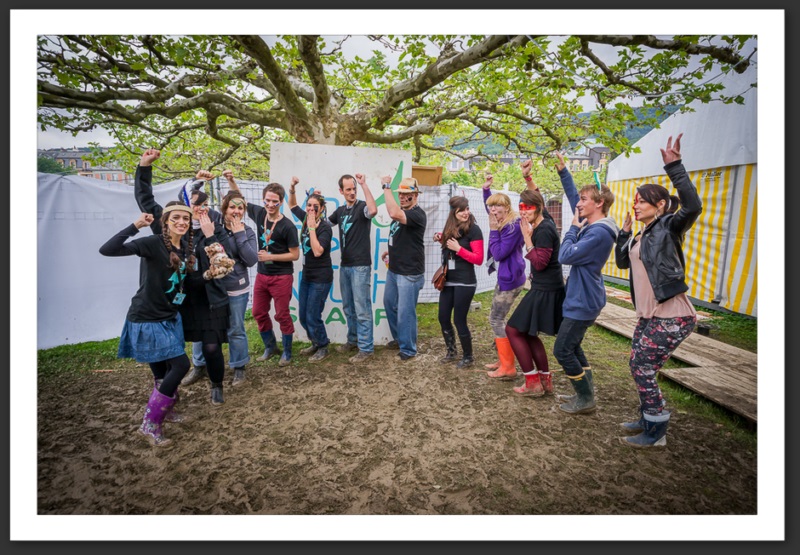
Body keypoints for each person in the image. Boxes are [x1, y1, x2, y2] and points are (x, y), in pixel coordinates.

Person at [614, 134, 701, 448]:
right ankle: (646, 417)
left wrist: (674, 167)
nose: (635, 204)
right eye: (635, 200)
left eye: (641, 200)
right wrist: (624, 234)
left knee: (643, 366)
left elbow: (693, 206)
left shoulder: (668, 227)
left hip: (672, 314)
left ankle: (656, 431)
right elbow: (623, 263)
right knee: (636, 363)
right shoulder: (642, 234)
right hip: (650, 315)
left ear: (660, 205)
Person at [135, 150, 233, 408]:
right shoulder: (173, 230)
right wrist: (144, 166)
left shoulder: (216, 229)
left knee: (212, 348)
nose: (199, 209)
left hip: (211, 300)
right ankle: (167, 390)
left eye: (204, 205)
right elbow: (146, 201)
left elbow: (225, 265)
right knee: (171, 352)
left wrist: (212, 237)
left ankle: (216, 385)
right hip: (180, 302)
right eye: (194, 205)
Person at [99, 204, 195, 446]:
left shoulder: (184, 248)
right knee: (181, 364)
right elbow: (107, 250)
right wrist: (135, 226)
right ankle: (150, 423)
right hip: (147, 317)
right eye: (176, 218)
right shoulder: (153, 243)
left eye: (186, 218)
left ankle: (167, 410)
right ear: (166, 221)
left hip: (170, 317)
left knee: (162, 372)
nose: (182, 222)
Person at [553, 151, 619, 415]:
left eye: (584, 200)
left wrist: (570, 230)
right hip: (582, 296)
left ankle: (586, 399)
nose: (578, 204)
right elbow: (574, 201)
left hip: (584, 300)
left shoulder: (599, 233)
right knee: (574, 346)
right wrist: (563, 172)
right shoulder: (594, 224)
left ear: (599, 203)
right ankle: (585, 394)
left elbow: (564, 255)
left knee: (562, 350)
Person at [184, 179, 258, 387]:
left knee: (235, 327)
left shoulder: (248, 231)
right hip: (210, 287)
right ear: (224, 209)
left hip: (236, 287)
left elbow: (251, 260)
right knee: (202, 327)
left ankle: (239, 367)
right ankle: (199, 365)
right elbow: (197, 205)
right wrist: (196, 186)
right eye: (232, 207)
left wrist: (239, 235)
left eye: (240, 208)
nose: (236, 211)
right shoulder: (213, 223)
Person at [225, 172, 300, 367]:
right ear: (263, 200)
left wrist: (271, 256)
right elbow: (239, 199)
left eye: (274, 201)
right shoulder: (259, 213)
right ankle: (270, 346)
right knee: (258, 312)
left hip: (281, 277)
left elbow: (295, 254)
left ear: (281, 202)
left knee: (282, 314)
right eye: (267, 200)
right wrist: (231, 180)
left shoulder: (288, 226)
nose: (270, 204)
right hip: (262, 275)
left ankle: (287, 352)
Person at [505, 185, 565, 397]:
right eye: (521, 207)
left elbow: (540, 263)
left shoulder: (544, 230)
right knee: (528, 333)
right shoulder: (544, 219)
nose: (523, 211)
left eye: (528, 207)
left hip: (545, 290)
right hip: (546, 287)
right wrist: (528, 178)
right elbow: (537, 197)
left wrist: (527, 238)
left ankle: (532, 381)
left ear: (539, 208)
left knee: (512, 330)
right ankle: (544, 380)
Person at [327, 173, 378, 363]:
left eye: (353, 188)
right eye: (348, 189)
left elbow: (373, 210)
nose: (352, 192)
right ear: (341, 191)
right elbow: (324, 225)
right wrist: (313, 205)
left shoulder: (362, 207)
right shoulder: (340, 211)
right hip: (345, 265)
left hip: (360, 266)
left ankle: (366, 348)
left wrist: (364, 184)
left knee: (362, 308)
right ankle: (353, 340)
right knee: (349, 307)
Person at [481, 175, 526, 380]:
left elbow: (499, 253)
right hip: (507, 276)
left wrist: (492, 231)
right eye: (491, 207)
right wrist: (485, 190)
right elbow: (491, 210)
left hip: (510, 279)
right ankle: (503, 358)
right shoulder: (503, 219)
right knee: (497, 318)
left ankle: (508, 367)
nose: (492, 211)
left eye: (497, 208)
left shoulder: (511, 227)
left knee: (496, 319)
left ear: (506, 208)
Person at [432, 196, 484, 368]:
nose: (466, 213)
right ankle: (451, 351)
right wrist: (441, 238)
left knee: (459, 320)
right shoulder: (451, 228)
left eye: (467, 208)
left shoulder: (474, 230)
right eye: (461, 210)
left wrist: (459, 249)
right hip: (448, 280)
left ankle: (468, 357)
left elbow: (478, 259)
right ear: (453, 212)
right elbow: (450, 248)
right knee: (443, 317)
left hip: (465, 281)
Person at [379, 177, 427, 360]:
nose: (404, 197)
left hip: (409, 273)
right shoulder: (405, 212)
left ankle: (408, 349)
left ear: (415, 195)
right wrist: (390, 251)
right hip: (395, 269)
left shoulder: (417, 214)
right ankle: (401, 339)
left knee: (406, 312)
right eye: (401, 194)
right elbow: (401, 236)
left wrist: (386, 188)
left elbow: (393, 213)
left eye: (408, 194)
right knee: (390, 304)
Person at [288, 182, 334, 362]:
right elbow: (292, 205)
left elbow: (317, 251)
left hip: (321, 278)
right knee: (303, 316)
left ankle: (323, 346)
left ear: (322, 209)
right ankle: (315, 342)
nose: (311, 209)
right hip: (307, 276)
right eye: (309, 206)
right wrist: (292, 188)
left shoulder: (325, 228)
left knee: (313, 315)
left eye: (315, 207)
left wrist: (313, 228)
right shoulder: (306, 219)